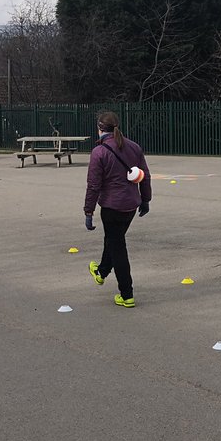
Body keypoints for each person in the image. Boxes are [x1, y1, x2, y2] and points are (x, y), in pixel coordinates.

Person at [83, 111, 151, 308]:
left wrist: (89, 211)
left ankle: (126, 293)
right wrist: (145, 199)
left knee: (118, 246)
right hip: (130, 205)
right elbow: (145, 175)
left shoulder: (99, 152)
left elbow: (93, 185)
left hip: (111, 206)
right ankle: (101, 271)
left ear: (99, 127)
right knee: (113, 239)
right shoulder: (134, 147)